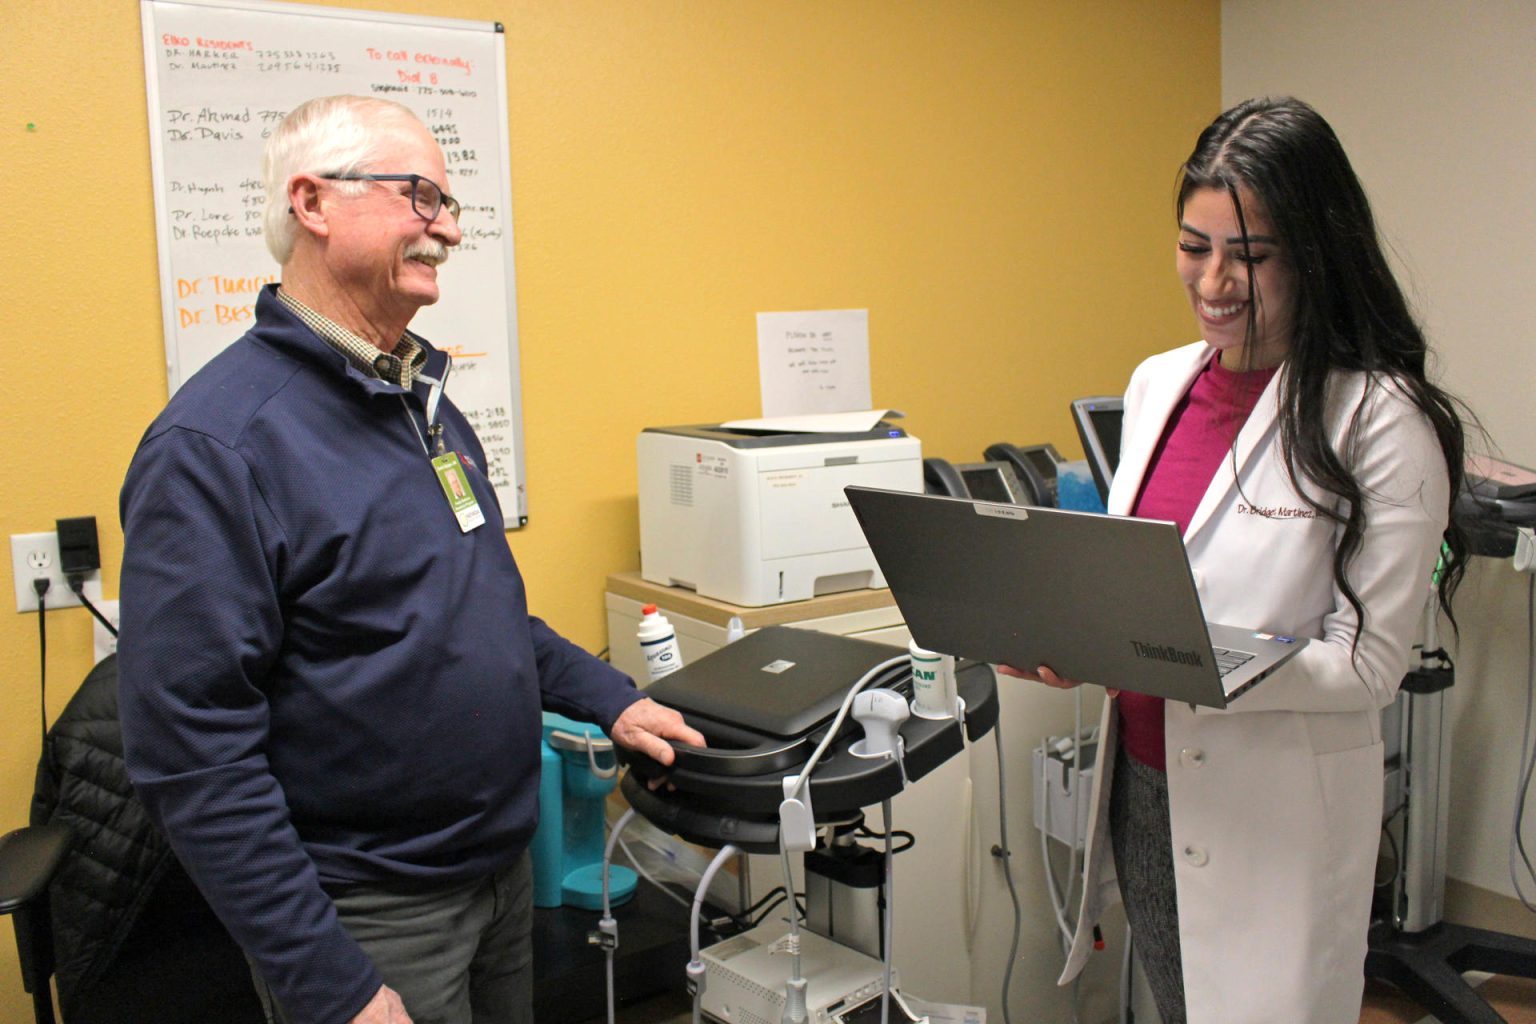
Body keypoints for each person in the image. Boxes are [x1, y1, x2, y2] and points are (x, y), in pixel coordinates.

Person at [118, 95, 705, 1024]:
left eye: (450, 203)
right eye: (420, 196)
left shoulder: (421, 404)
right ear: (312, 203)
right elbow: (189, 753)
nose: (449, 229)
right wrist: (327, 978)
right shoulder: (217, 446)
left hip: (499, 878)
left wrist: (613, 699)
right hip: (365, 917)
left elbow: (475, 619)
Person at [1001, 96, 1467, 1022]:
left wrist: (1188, 655)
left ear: (1314, 253)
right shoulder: (1157, 382)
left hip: (1273, 813)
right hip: (1143, 785)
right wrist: (1073, 639)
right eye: (1193, 245)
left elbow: (1371, 664)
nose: (1214, 280)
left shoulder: (1380, 420)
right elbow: (1134, 583)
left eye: (1249, 256)